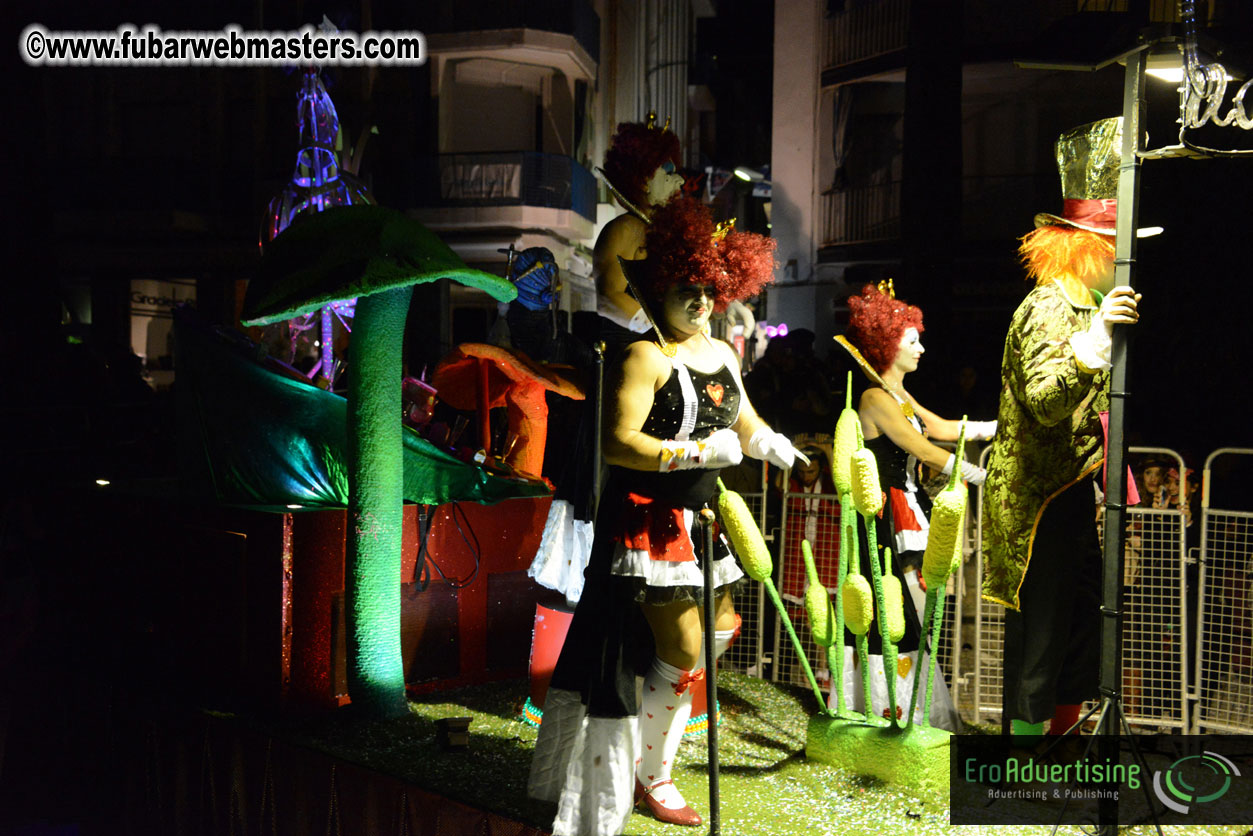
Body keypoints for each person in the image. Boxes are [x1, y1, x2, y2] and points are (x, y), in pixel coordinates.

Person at [528, 197, 804, 834]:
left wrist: (772, 444)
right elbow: (618, 443)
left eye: (708, 289)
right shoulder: (643, 356)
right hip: (648, 523)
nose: (701, 301)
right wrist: (695, 452)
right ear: (656, 291)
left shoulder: (722, 351)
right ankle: (653, 776)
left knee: (718, 632)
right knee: (683, 647)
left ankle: (650, 762)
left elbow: (746, 421)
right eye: (686, 289)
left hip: (703, 521)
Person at [981, 117, 1145, 739]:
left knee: (1077, 634)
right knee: (1042, 639)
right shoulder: (1051, 306)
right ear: (1093, 248)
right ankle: (1024, 765)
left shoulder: (1085, 308)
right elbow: (1046, 402)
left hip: (1071, 492)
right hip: (1038, 501)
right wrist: (1095, 343)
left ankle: (1060, 751)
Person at [835, 281, 993, 727]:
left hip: (910, 506)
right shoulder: (874, 397)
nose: (921, 348)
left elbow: (939, 428)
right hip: (886, 513)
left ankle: (912, 711)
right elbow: (921, 448)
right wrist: (980, 475)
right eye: (912, 341)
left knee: (916, 613)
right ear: (889, 346)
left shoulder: (899, 395)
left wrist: (999, 426)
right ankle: (891, 709)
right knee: (896, 612)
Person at [594, 114, 686, 341]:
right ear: (644, 180)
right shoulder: (626, 229)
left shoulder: (658, 232)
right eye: (668, 172)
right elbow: (608, 299)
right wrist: (664, 336)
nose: (680, 181)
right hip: (631, 351)